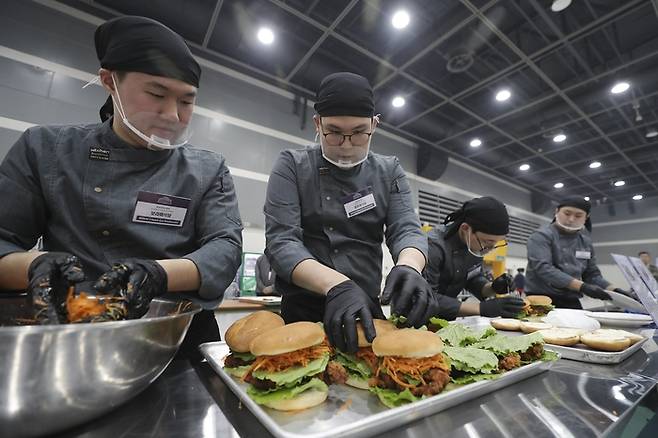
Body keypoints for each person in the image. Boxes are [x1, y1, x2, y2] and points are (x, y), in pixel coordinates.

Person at [0, 16, 242, 360]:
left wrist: (158, 274)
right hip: (73, 336)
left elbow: (224, 249)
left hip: (176, 336)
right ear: (109, 81)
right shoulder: (46, 150)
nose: (172, 115)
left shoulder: (207, 168)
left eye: (187, 101)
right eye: (156, 93)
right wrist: (32, 266)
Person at [264, 72, 429, 353]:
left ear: (374, 125)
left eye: (359, 132)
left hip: (364, 304)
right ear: (317, 124)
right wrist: (336, 284)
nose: (347, 145)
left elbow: (406, 229)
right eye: (334, 132)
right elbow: (282, 242)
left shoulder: (389, 171)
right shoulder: (292, 165)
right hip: (303, 308)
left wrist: (410, 266)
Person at [423, 197, 525, 320]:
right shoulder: (432, 246)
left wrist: (493, 287)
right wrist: (481, 308)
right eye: (488, 242)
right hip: (415, 320)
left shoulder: (474, 245)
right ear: (465, 229)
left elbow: (472, 279)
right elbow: (425, 298)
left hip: (443, 320)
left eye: (496, 243)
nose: (489, 249)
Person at [525, 196, 620, 309]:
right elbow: (544, 268)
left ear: (586, 217)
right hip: (541, 299)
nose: (571, 219)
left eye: (578, 216)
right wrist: (582, 287)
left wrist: (613, 289)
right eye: (567, 213)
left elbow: (592, 274)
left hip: (571, 299)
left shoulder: (585, 242)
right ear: (557, 212)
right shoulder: (541, 236)